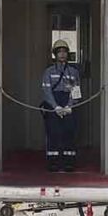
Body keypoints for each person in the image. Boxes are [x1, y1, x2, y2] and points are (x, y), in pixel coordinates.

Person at [41, 39, 81, 172]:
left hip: (68, 105)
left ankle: (69, 162)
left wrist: (70, 106)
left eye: (64, 52)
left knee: (69, 133)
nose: (62, 54)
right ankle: (53, 162)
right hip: (54, 105)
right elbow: (46, 92)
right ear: (55, 54)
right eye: (59, 52)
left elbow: (76, 92)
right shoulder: (48, 71)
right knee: (53, 133)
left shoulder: (73, 72)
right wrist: (55, 107)